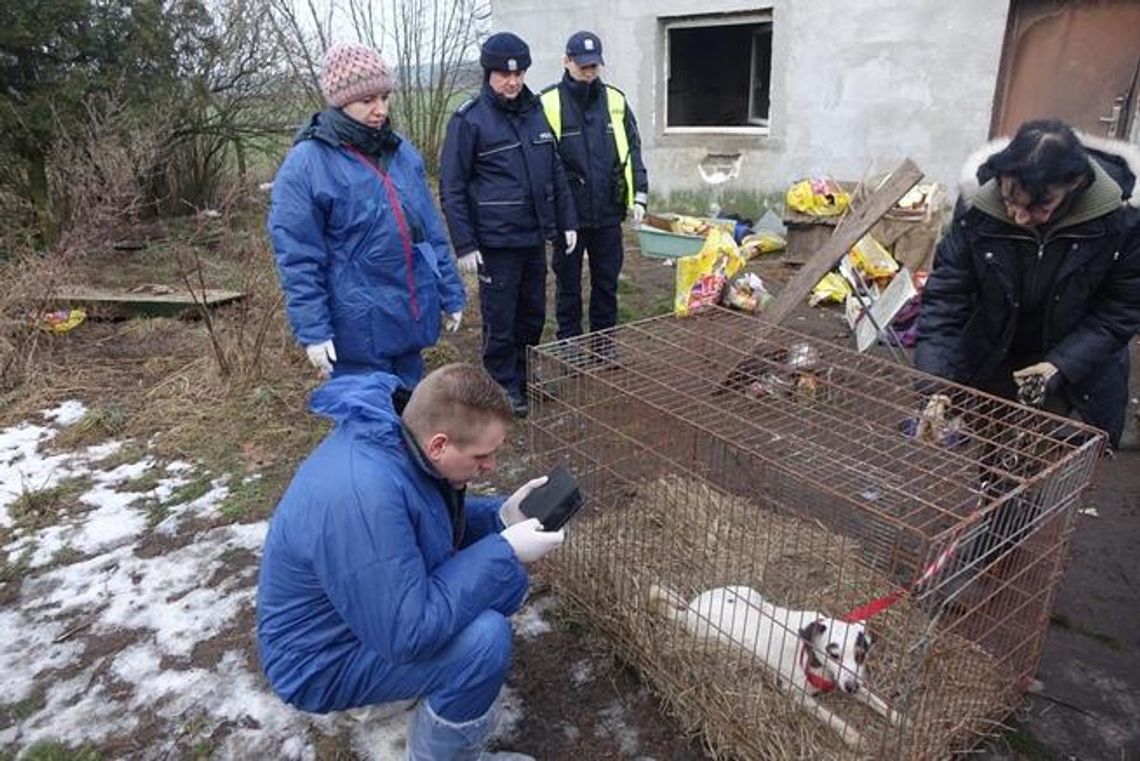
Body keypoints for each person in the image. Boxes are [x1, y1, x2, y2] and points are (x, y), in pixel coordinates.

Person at [257, 363, 564, 760]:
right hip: (321, 661)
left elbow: (422, 522)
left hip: (359, 622)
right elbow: (407, 633)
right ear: (438, 445)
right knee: (484, 641)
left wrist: (500, 518)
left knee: (486, 593)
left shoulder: (398, 440)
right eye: (481, 456)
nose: (490, 467)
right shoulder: (362, 497)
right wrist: (503, 551)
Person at [915, 118, 1140, 449]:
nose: (1019, 216)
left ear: (1075, 184)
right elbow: (947, 297)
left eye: (1039, 206)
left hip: (1077, 361)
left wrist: (1059, 365)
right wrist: (936, 385)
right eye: (1009, 199)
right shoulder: (977, 207)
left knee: (1052, 459)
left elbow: (1121, 309)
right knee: (997, 458)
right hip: (999, 352)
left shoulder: (1121, 220)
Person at [268, 43, 466, 387]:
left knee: (409, 418)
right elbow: (298, 256)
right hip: (356, 330)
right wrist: (314, 329)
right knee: (366, 425)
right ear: (340, 101)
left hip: (410, 316)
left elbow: (429, 231)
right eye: (367, 101)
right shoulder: (308, 164)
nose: (380, 110)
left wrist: (450, 292)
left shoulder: (402, 153)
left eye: (385, 98)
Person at [439, 32, 578, 417]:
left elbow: (555, 170)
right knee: (501, 321)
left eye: (518, 74)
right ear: (488, 74)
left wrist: (566, 220)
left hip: (533, 236)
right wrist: (464, 243)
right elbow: (451, 187)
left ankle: (523, 376)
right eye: (503, 75)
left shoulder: (535, 112)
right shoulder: (469, 121)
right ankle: (501, 387)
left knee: (533, 314)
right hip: (496, 243)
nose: (512, 82)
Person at [539, 30, 649, 347]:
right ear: (567, 61)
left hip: (607, 210)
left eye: (594, 67)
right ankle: (570, 343)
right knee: (569, 284)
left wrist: (639, 193)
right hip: (569, 216)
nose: (589, 73)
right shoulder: (548, 103)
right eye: (582, 66)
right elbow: (540, 163)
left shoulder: (615, 101)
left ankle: (603, 343)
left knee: (605, 282)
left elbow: (632, 150)